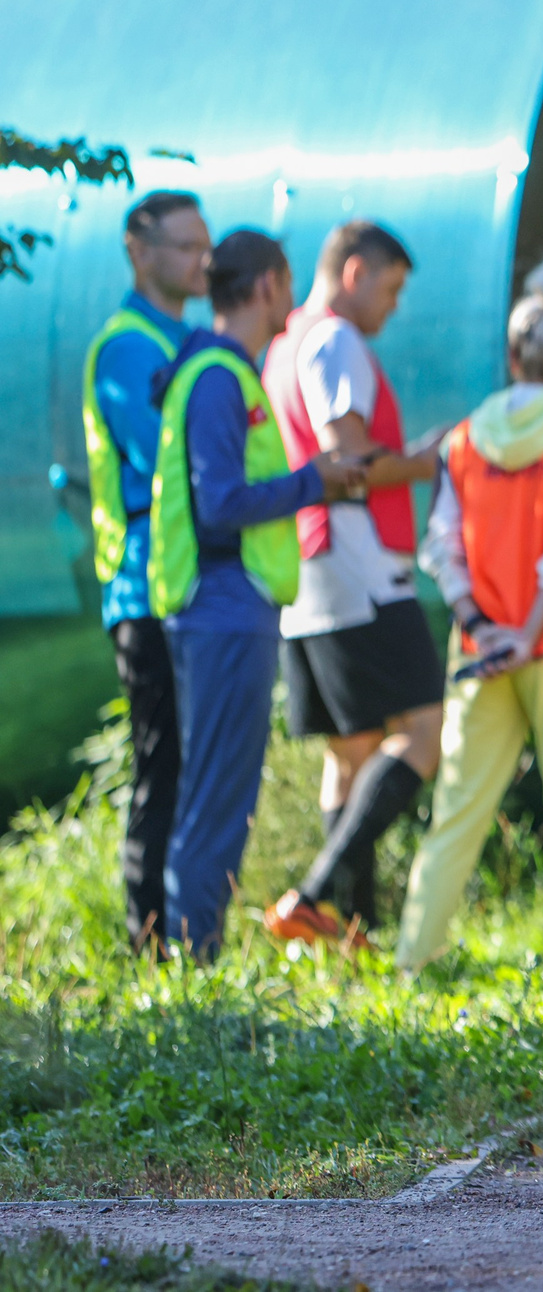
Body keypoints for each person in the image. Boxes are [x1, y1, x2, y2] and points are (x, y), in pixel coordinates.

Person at [398, 264, 543, 986]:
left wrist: (482, 624)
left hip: (480, 650)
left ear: (511, 356)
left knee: (456, 812)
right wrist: (528, 633)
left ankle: (413, 960)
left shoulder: (462, 441)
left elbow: (441, 546)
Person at [150, 230, 366, 959]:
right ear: (269, 284)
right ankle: (193, 963)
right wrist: (315, 481)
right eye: (290, 284)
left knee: (218, 791)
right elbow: (219, 503)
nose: (294, 301)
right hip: (222, 608)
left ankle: (193, 955)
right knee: (217, 795)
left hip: (226, 608)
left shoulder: (220, 370)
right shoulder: (218, 377)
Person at [261, 220, 446, 945]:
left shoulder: (281, 344)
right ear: (355, 272)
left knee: (351, 750)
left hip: (304, 564)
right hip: (357, 560)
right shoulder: (335, 339)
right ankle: (311, 895)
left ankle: (351, 930)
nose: (392, 308)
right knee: (424, 732)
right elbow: (351, 460)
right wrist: (427, 461)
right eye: (391, 289)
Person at [82, 190, 211, 953]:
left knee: (191, 763)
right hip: (143, 588)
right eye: (186, 246)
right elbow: (168, 454)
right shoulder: (129, 347)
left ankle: (188, 933)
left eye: (206, 246)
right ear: (139, 249)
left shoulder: (189, 340)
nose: (203, 261)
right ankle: (149, 944)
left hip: (184, 583)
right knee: (163, 764)